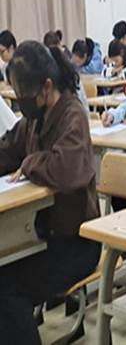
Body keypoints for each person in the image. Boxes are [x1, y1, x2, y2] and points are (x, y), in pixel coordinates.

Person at [0, 41, 100, 343]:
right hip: (41, 238)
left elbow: (65, 169)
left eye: (24, 95)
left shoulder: (72, 115)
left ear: (46, 86)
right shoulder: (34, 120)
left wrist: (30, 162)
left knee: (7, 292)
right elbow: (7, 149)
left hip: (77, 242)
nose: (21, 101)